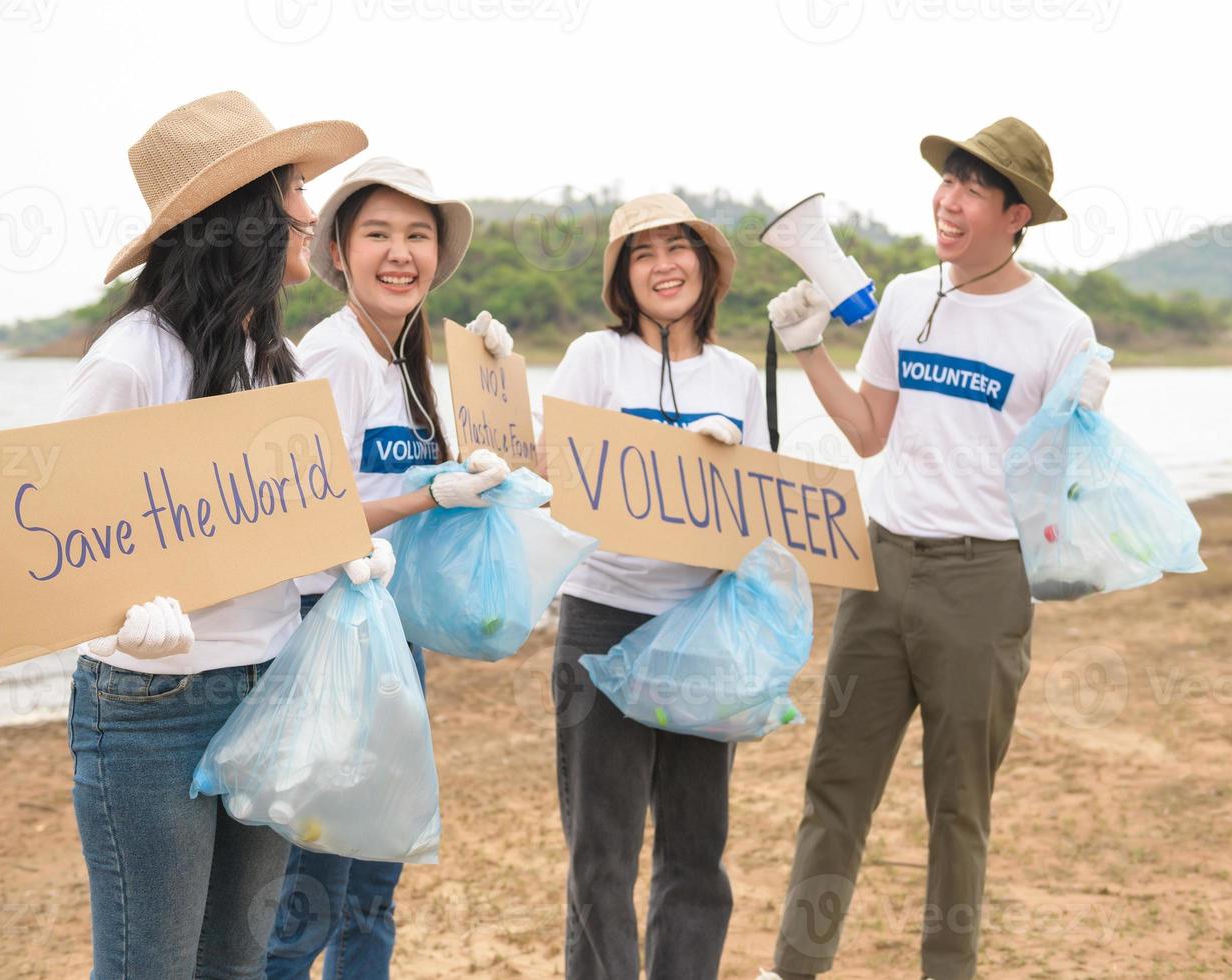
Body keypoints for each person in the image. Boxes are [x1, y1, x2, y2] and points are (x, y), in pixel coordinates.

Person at [756, 118, 1111, 980]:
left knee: (958, 805)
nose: (948, 202)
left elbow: (1062, 483)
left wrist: (1085, 419)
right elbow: (870, 434)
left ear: (1015, 213)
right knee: (834, 787)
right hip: (879, 568)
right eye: (946, 182)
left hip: (984, 579)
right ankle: (792, 969)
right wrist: (808, 352)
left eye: (972, 190)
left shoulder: (1059, 327)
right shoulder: (909, 297)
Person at [59, 90, 367, 978]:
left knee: (237, 962)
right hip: (150, 707)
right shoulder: (131, 359)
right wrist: (116, 618)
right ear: (239, 220)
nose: (310, 211)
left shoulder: (275, 361)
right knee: (148, 966)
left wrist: (341, 549)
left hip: (268, 683)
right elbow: (60, 548)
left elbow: (285, 522)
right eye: (291, 192)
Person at [264, 157, 513, 980]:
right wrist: (425, 498)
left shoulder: (407, 358)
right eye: (377, 234)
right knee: (312, 885)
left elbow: (482, 479)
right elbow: (304, 517)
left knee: (374, 883)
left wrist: (495, 388)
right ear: (336, 250)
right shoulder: (330, 356)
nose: (399, 252)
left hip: (392, 636)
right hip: (327, 637)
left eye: (417, 236)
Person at [540, 192, 770, 980]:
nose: (662, 265)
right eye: (642, 253)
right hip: (603, 617)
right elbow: (553, 478)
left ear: (706, 266)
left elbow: (766, 515)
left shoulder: (738, 376)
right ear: (621, 277)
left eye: (678, 248)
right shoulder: (594, 358)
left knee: (696, 845)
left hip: (704, 626)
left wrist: (731, 460)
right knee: (601, 849)